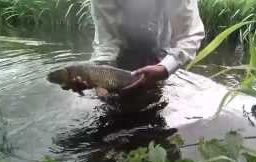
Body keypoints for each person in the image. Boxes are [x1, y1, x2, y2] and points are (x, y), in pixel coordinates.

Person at [71, 0, 205, 95]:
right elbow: (107, 40)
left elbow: (189, 34)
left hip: (159, 56)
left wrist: (164, 68)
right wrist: (96, 74)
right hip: (120, 58)